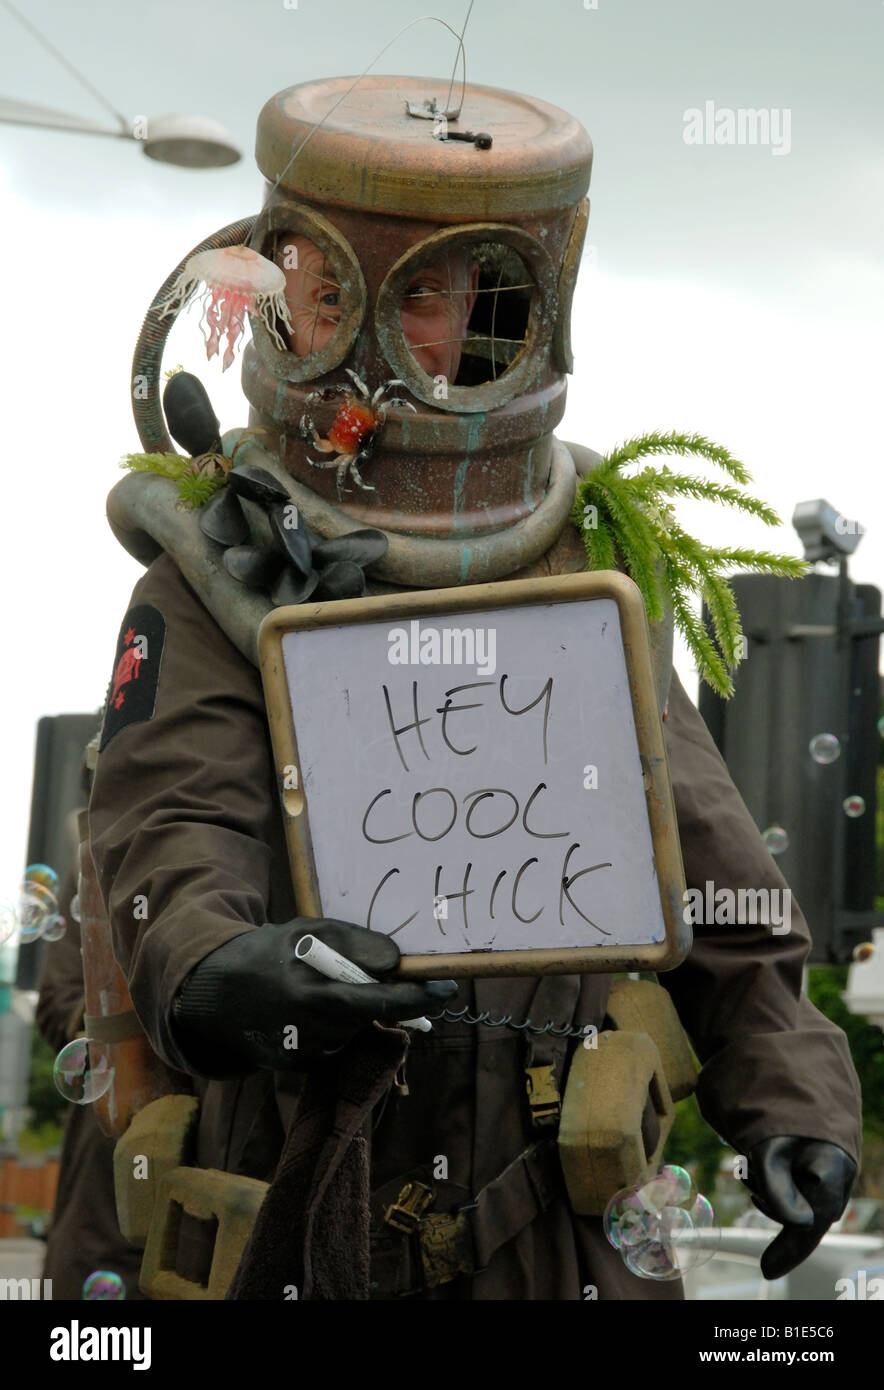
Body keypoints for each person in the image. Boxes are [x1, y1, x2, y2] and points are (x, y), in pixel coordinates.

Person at [88, 74, 861, 1300]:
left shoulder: (579, 573)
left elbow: (703, 865)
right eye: (358, 295)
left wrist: (792, 1096)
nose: (420, 343)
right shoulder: (211, 572)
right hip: (293, 1190)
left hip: (543, 1231)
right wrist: (216, 964)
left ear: (524, 311)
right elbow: (170, 813)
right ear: (284, 286)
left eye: (460, 299)